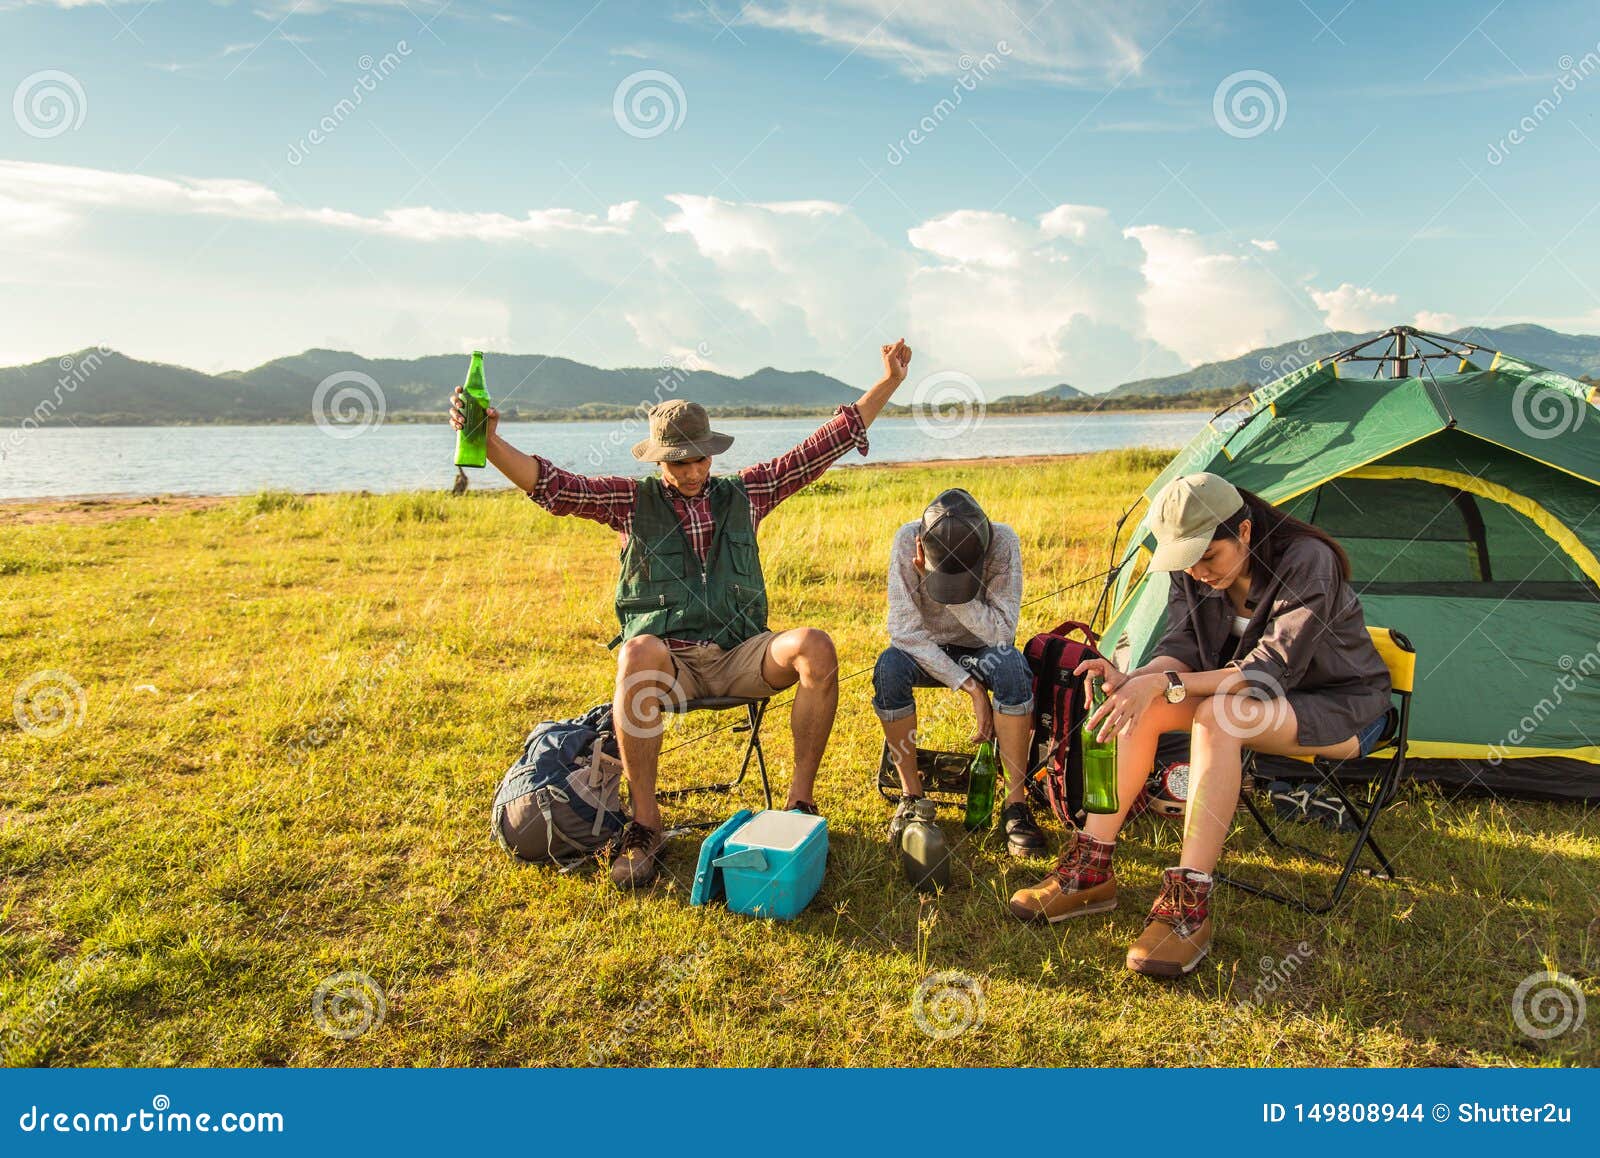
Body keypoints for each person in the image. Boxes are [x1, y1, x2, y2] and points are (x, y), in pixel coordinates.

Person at [451, 340, 915, 889]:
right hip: (671, 665)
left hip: (743, 654)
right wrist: (488, 439)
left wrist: (888, 381)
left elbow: (820, 447)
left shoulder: (747, 492)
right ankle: (645, 826)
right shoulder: (629, 502)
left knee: (815, 643)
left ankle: (798, 806)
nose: (693, 471)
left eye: (700, 457)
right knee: (637, 649)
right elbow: (553, 486)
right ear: (658, 460)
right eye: (679, 461)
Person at [1008, 472, 1391, 977]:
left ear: (1246, 532)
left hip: (1339, 705)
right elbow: (1181, 646)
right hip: (1249, 698)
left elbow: (1270, 670)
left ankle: (1189, 902)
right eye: (1189, 561)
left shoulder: (1307, 562)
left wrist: (1165, 684)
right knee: (1138, 704)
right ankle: (1091, 871)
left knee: (1217, 717)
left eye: (1210, 557)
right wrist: (1134, 679)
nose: (1200, 571)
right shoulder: (1189, 569)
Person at [874, 488, 1046, 857]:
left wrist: (951, 595)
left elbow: (1002, 635)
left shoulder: (1003, 542)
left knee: (1014, 668)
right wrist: (968, 686)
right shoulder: (907, 539)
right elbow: (904, 632)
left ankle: (1015, 804)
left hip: (983, 648)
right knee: (888, 670)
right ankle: (912, 798)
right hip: (925, 650)